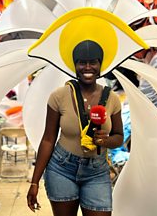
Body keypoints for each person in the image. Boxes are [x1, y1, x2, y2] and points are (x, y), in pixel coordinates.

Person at [26, 40, 124, 216]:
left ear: (100, 65)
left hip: (97, 172)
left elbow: (119, 137)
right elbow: (48, 139)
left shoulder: (112, 99)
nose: (88, 67)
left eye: (93, 62)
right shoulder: (59, 96)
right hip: (62, 169)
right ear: (75, 65)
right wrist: (34, 182)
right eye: (82, 62)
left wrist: (106, 140)